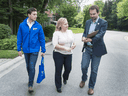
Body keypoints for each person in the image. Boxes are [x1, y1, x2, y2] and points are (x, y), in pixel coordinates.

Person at [79, 5, 108, 95]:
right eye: (90, 14)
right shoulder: (88, 22)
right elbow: (85, 32)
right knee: (84, 66)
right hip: (87, 49)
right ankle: (84, 79)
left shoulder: (103, 22)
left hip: (97, 50)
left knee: (94, 70)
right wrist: (83, 37)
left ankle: (91, 87)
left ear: (98, 13)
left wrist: (91, 39)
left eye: (94, 14)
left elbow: (100, 34)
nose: (92, 16)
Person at [17, 7, 46, 93]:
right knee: (28, 66)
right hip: (26, 50)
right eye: (34, 14)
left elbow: (42, 39)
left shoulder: (38, 26)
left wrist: (43, 50)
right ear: (29, 15)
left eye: (36, 14)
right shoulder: (22, 25)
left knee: (32, 66)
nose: (35, 16)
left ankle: (30, 85)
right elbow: (19, 38)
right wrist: (19, 49)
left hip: (34, 50)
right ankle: (31, 78)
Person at [52, 17, 76, 93]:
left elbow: (73, 41)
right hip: (58, 54)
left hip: (69, 54)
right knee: (58, 70)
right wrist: (65, 48)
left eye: (67, 23)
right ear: (60, 25)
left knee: (68, 68)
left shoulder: (70, 32)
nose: (67, 25)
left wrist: (73, 45)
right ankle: (58, 86)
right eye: (65, 24)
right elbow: (55, 45)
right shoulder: (56, 33)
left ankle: (65, 78)